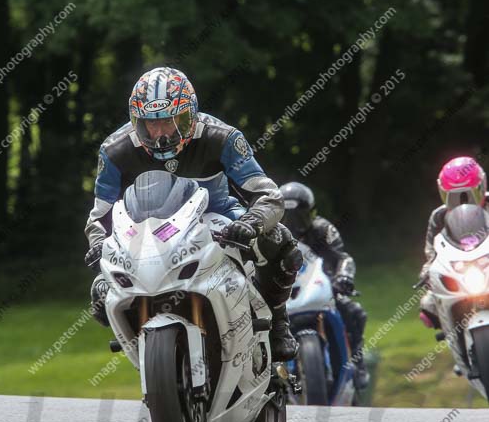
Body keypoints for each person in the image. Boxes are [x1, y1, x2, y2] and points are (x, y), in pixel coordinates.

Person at [84, 66, 303, 361]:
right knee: (100, 293)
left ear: (190, 115)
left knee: (281, 242)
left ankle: (278, 321)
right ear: (136, 122)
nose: (160, 134)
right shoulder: (114, 150)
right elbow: (99, 216)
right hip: (145, 227)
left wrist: (252, 222)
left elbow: (268, 195)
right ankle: (142, 342)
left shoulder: (222, 137)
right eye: (151, 124)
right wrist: (98, 243)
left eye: (170, 122)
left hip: (216, 213)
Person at [279, 181, 369, 389]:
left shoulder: (323, 229)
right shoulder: (270, 236)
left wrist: (343, 277)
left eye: (299, 216)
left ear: (311, 213)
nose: (293, 224)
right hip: (281, 292)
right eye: (287, 217)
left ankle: (358, 363)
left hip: (322, 287)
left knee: (354, 311)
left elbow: (342, 258)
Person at [418, 156, 489, 329]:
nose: (462, 202)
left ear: (481, 187)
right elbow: (431, 252)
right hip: (461, 270)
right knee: (428, 305)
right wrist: (427, 272)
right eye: (453, 197)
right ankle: (454, 335)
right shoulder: (439, 217)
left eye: (468, 195)